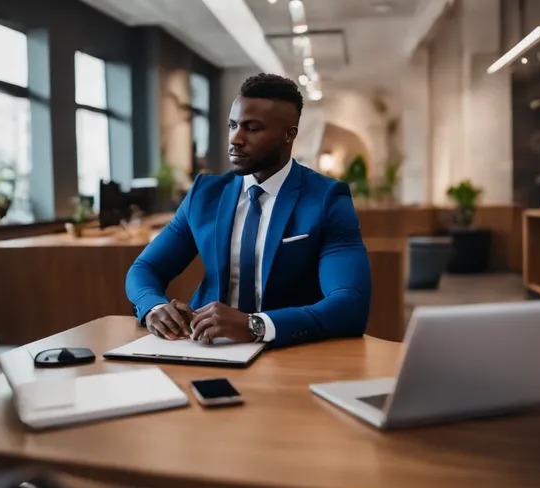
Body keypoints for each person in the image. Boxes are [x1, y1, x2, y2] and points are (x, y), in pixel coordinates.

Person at [126, 73, 371, 347]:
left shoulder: (327, 199)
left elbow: (350, 303)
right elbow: (145, 268)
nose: (235, 139)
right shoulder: (204, 195)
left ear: (289, 134)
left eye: (252, 128)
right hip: (203, 344)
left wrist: (256, 325)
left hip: (286, 349)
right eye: (233, 126)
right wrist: (153, 307)